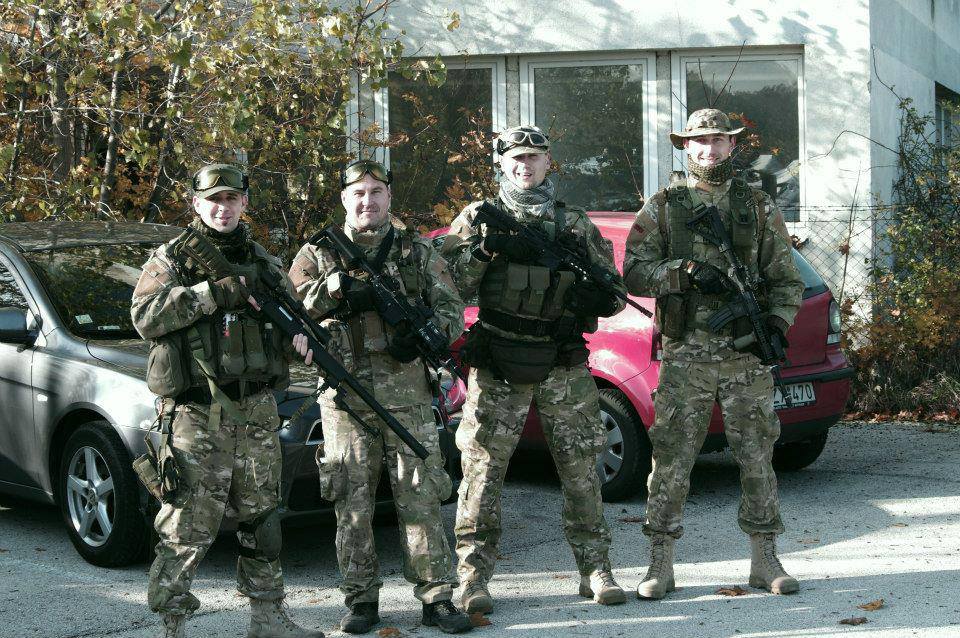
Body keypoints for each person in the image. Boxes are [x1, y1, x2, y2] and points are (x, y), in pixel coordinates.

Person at [131, 163, 324, 638]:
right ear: (196, 203)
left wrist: (298, 341)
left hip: (256, 410)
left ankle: (268, 618)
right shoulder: (173, 259)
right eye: (213, 199)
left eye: (231, 198)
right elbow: (145, 316)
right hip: (196, 413)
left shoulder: (264, 264)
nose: (223, 208)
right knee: (186, 525)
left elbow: (287, 326)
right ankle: (172, 626)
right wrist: (210, 294)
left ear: (244, 203)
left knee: (263, 520)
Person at [441, 125, 628, 614]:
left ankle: (595, 569)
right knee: (483, 471)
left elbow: (614, 293)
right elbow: (450, 287)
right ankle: (473, 579)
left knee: (581, 466)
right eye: (516, 158)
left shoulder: (575, 224)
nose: (525, 166)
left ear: (548, 163)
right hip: (500, 361)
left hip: (561, 361)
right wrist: (487, 250)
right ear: (501, 164)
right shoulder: (477, 218)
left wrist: (592, 297)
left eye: (534, 158)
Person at [622, 109, 805, 599]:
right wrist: (681, 272)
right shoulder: (664, 206)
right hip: (686, 356)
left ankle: (765, 559)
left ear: (732, 145)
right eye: (700, 141)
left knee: (757, 455)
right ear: (687, 146)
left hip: (746, 357)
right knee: (672, 458)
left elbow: (786, 280)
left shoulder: (757, 205)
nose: (709, 149)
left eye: (718, 140)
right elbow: (633, 272)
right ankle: (660, 563)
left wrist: (776, 323)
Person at [289, 159, 472, 635]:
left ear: (388, 196)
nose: (367, 201)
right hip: (345, 398)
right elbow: (291, 311)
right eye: (358, 193)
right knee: (351, 501)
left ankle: (436, 597)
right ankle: (361, 600)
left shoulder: (416, 251)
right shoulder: (317, 253)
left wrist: (427, 335)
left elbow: (452, 310)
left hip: (407, 394)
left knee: (421, 497)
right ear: (344, 199)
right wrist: (336, 290)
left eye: (376, 192)